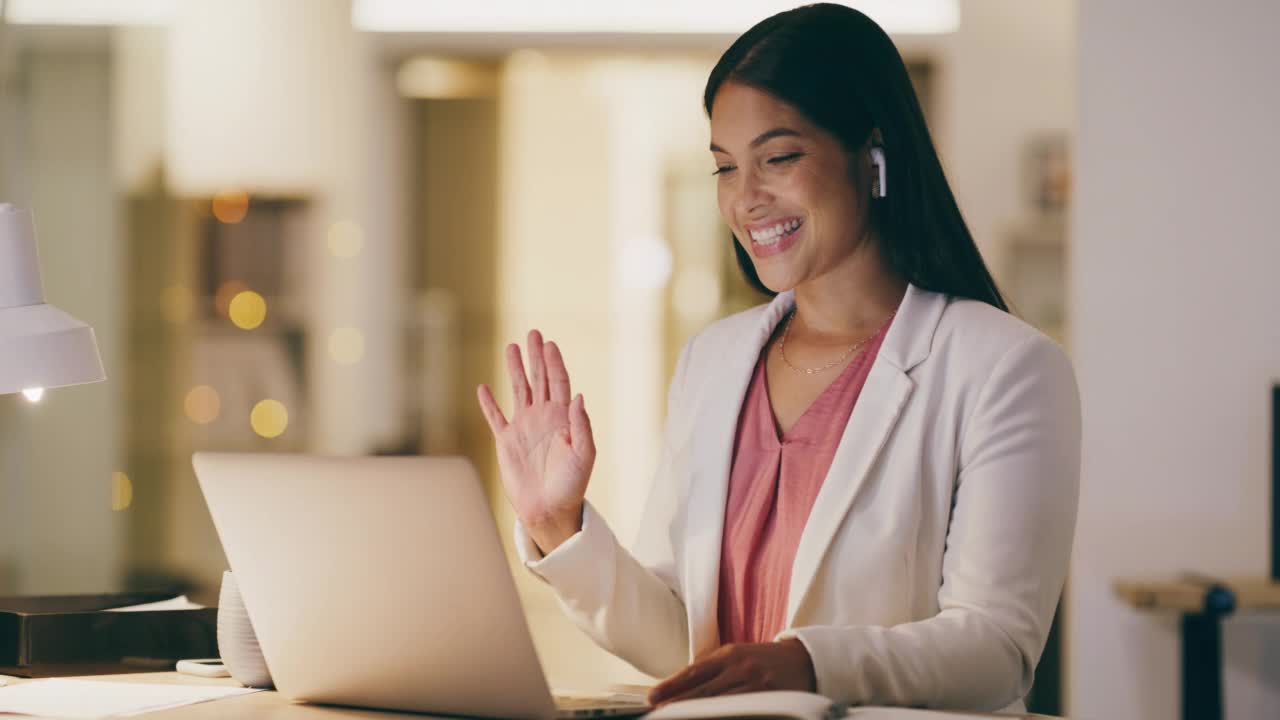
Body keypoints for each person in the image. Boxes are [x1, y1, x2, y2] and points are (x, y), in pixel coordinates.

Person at [477, 3, 1080, 713]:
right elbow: (687, 643)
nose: (746, 199)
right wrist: (561, 524)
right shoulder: (713, 360)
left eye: (780, 158)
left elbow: (996, 651)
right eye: (725, 168)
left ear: (874, 156)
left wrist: (806, 663)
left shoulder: (1004, 368)